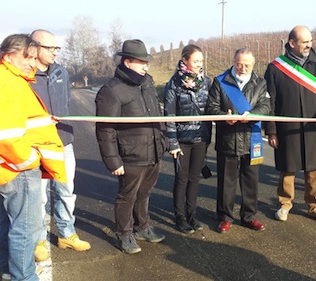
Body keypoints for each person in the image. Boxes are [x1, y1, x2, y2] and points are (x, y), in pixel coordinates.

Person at [0, 34, 67, 281]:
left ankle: (8, 271)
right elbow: (5, 136)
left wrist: (45, 121)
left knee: (7, 223)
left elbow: (17, 121)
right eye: (28, 57)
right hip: (17, 168)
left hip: (6, 167)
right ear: (8, 56)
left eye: (35, 58)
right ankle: (23, 277)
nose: (33, 63)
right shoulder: (6, 82)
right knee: (24, 228)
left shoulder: (1, 77)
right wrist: (29, 161)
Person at [95, 39, 167, 254]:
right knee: (127, 196)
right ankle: (124, 234)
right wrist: (113, 160)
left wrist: (163, 143)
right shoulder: (112, 90)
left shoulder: (148, 83)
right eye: (141, 62)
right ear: (127, 62)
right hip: (131, 155)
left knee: (144, 193)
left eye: (147, 62)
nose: (146, 66)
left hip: (154, 151)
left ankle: (142, 227)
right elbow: (105, 130)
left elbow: (157, 116)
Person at [264, 25, 316, 224]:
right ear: (292, 43)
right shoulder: (275, 68)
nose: (309, 45)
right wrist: (271, 131)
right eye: (305, 42)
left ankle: (315, 206)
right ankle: (285, 204)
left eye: (310, 41)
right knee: (288, 168)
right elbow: (269, 101)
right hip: (288, 129)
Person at [30, 29, 91, 262]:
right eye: (50, 48)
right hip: (37, 145)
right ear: (34, 48)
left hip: (63, 141)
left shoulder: (61, 72)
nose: (55, 52)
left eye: (57, 48)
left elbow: (65, 102)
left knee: (66, 191)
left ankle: (67, 234)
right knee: (40, 196)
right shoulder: (26, 74)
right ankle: (38, 240)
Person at [206, 48, 271, 234]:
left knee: (251, 181)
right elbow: (211, 107)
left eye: (247, 65)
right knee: (227, 182)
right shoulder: (220, 81)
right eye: (239, 64)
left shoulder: (260, 82)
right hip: (228, 138)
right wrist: (223, 116)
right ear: (233, 62)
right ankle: (225, 217)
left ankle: (249, 216)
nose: (242, 68)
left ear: (253, 64)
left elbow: (266, 106)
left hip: (252, 139)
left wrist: (252, 114)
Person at [164, 44, 212, 234]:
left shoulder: (207, 82)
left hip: (201, 138)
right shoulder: (173, 84)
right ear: (185, 60)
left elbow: (212, 108)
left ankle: (192, 214)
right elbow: (169, 116)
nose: (200, 64)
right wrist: (173, 143)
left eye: (201, 60)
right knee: (181, 179)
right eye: (196, 60)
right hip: (182, 140)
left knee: (194, 179)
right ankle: (180, 217)